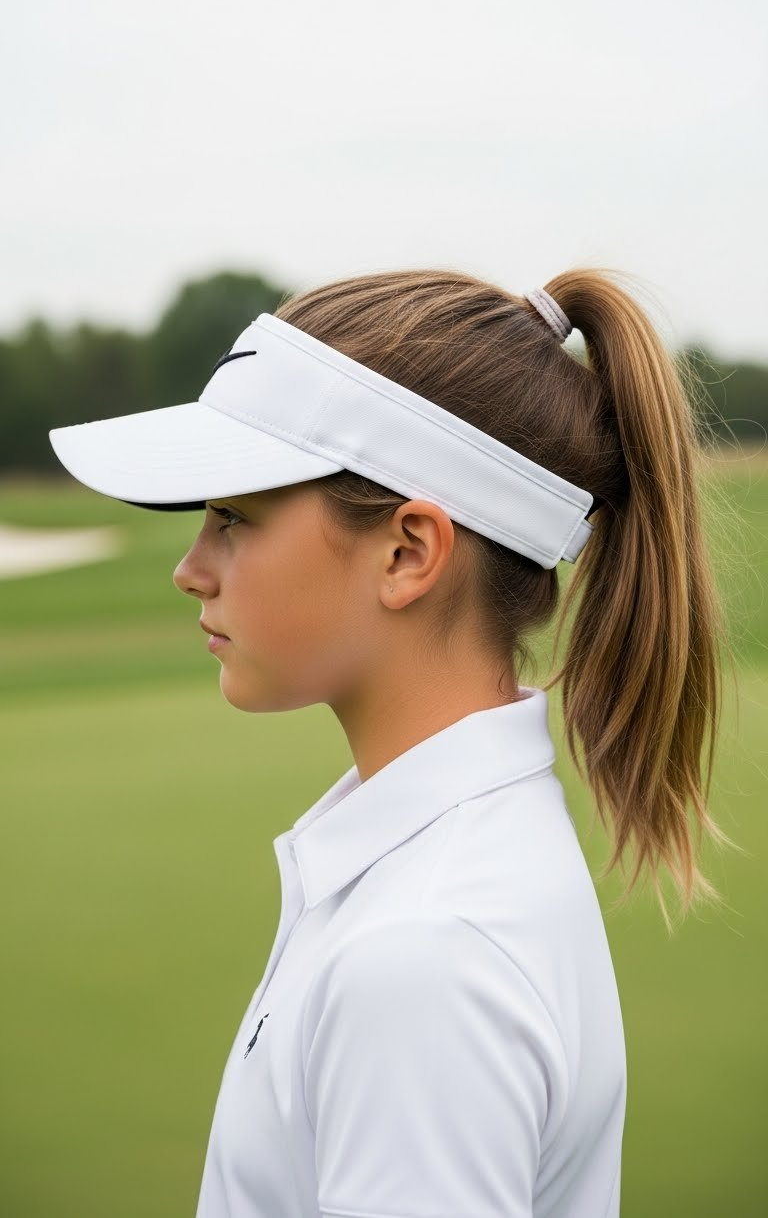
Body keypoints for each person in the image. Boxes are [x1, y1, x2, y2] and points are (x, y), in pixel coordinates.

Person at [49, 266, 728, 1218]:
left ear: (409, 551)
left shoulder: (423, 958)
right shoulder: (451, 875)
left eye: (234, 517)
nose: (190, 569)